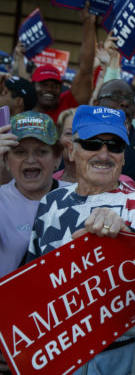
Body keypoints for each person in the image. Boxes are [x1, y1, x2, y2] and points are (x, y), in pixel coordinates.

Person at [25, 105, 135, 374]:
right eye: (92, 143)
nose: (104, 154)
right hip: (58, 353)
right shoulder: (51, 202)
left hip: (121, 356)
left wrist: (126, 236)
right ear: (71, 150)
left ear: (123, 157)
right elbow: (35, 279)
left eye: (114, 146)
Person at [0, 112, 69, 277]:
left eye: (41, 152)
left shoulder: (78, 197)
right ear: (6, 159)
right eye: (19, 152)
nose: (31, 160)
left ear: (57, 158)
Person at [32, 3, 95, 123]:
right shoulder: (21, 106)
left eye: (55, 86)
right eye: (44, 84)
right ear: (33, 86)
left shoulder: (66, 104)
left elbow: (86, 70)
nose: (49, 89)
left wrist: (89, 24)